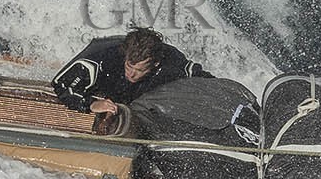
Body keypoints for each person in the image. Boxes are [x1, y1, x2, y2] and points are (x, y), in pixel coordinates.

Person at [52, 27, 210, 115]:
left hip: (141, 96)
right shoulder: (99, 59)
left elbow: (204, 81)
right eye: (129, 67)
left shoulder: (171, 61)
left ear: (155, 64)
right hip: (101, 88)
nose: (131, 74)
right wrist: (91, 103)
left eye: (139, 70)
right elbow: (61, 84)